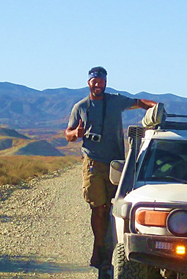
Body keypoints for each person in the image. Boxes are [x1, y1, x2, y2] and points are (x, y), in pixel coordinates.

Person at [66, 66, 157, 267]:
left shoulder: (115, 101)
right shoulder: (80, 107)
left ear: (105, 82)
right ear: (88, 82)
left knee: (114, 208)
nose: (97, 84)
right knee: (98, 208)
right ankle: (99, 249)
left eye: (101, 81)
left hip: (115, 163)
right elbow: (68, 134)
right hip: (93, 163)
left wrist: (156, 107)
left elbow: (138, 102)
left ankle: (114, 249)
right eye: (94, 81)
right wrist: (76, 134)